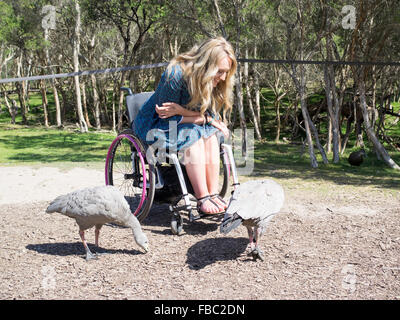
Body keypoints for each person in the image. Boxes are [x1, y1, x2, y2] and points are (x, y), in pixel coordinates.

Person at [134, 37, 237, 215]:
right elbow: (166, 116)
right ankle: (202, 197)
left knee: (210, 135)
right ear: (206, 65)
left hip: (189, 124)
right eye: (220, 71)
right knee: (194, 134)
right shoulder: (175, 74)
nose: (223, 77)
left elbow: (208, 116)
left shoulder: (211, 82)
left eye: (226, 72)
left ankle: (213, 193)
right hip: (155, 124)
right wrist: (202, 119)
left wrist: (192, 115)